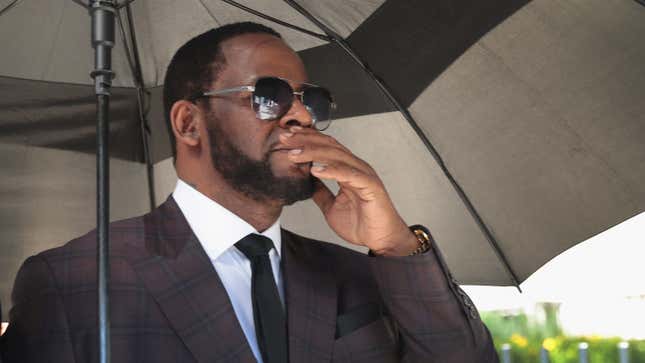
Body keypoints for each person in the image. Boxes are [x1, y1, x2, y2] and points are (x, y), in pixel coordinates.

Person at [0, 22, 498, 362]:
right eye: (270, 96)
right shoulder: (74, 282)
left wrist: (394, 245)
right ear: (188, 123)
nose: (301, 115)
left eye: (311, 100)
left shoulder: (362, 273)